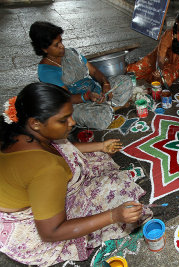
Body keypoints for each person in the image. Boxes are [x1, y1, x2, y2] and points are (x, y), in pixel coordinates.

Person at [0, 83, 152, 266]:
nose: (72, 123)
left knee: (98, 158)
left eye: (70, 115)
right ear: (35, 123)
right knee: (116, 191)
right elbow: (51, 232)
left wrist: (100, 146)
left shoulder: (22, 131)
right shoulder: (47, 169)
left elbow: (60, 146)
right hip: (32, 227)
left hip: (34, 191)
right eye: (64, 119)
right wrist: (114, 216)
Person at [29, 21, 134, 130]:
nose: (62, 46)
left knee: (125, 81)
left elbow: (93, 71)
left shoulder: (71, 53)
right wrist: (87, 96)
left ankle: (108, 108)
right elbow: (66, 99)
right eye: (56, 45)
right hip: (77, 104)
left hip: (97, 92)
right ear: (44, 49)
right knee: (98, 118)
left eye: (61, 41)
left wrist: (105, 83)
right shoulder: (47, 71)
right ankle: (113, 107)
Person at [127, 7, 179, 86]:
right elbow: (160, 56)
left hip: (174, 66)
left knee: (165, 80)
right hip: (160, 60)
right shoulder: (168, 35)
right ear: (177, 21)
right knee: (134, 70)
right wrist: (159, 70)